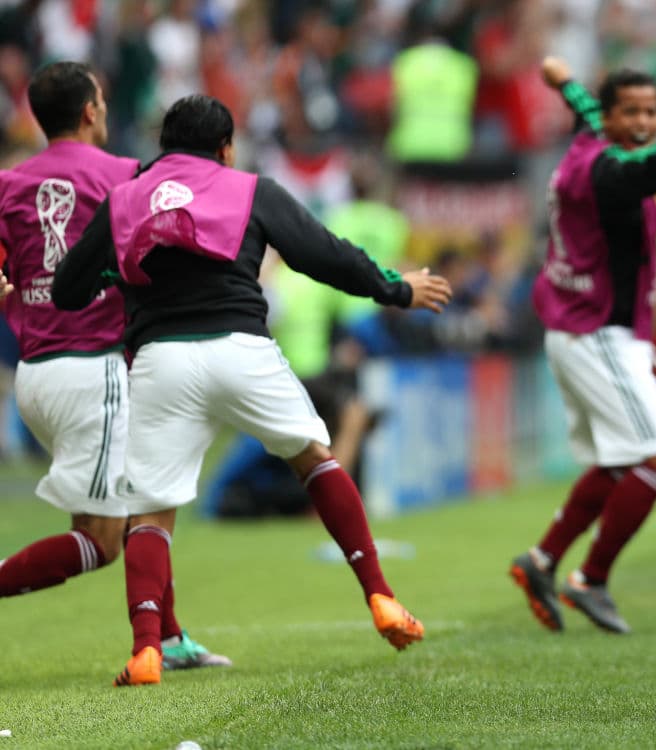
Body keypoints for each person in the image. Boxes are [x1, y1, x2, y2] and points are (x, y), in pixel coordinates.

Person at [52, 94, 452, 687]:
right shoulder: (250, 188)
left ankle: (146, 651)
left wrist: (121, 271)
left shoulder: (124, 199)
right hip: (243, 351)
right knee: (314, 458)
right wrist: (396, 288)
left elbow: (67, 291)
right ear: (226, 148)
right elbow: (325, 255)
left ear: (162, 147)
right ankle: (381, 597)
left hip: (161, 361)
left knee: (152, 511)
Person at [0, 61, 229, 675]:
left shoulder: (7, 183)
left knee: (141, 501)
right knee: (102, 539)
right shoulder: (126, 175)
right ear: (92, 112)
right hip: (94, 368)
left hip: (37, 374)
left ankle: (170, 637)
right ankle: (151, 645)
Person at [509, 56, 656, 634]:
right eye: (633, 112)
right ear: (613, 118)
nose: (644, 121)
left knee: (617, 461)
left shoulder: (590, 132)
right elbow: (633, 175)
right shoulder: (601, 169)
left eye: (652, 111)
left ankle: (540, 560)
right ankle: (591, 578)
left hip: (588, 329)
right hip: (595, 332)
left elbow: (585, 104)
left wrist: (561, 78)